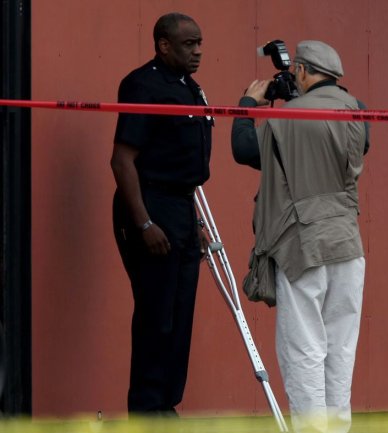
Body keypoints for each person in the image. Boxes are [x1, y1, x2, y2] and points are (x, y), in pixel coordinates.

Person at [231, 40, 369, 433]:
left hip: (301, 244)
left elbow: (244, 149)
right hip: (346, 241)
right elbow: (364, 144)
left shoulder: (285, 118)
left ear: (304, 72)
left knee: (304, 348)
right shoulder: (358, 110)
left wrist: (248, 104)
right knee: (341, 349)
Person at [110, 12, 212, 415]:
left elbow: (186, 167)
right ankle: (148, 410)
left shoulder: (190, 88)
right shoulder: (143, 84)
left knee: (180, 314)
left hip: (183, 207)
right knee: (156, 316)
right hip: (151, 205)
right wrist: (145, 222)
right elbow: (121, 161)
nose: (198, 51)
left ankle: (167, 405)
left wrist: (195, 221)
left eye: (200, 43)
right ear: (164, 44)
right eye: (189, 44)